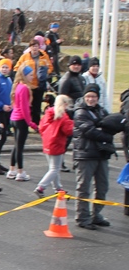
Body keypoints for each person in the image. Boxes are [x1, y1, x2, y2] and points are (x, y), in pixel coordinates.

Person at [73, 84, 113, 230]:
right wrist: (106, 135)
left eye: (94, 96)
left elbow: (111, 125)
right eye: (88, 96)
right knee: (84, 187)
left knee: (102, 187)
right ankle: (82, 217)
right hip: (85, 155)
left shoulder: (102, 111)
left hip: (101, 154)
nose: (91, 99)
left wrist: (104, 130)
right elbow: (89, 130)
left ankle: (97, 215)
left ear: (98, 97)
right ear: (84, 97)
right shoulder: (80, 112)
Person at [35, 95, 74, 197]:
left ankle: (58, 188)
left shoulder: (49, 113)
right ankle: (41, 187)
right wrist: (74, 123)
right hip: (57, 143)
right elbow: (68, 130)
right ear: (65, 104)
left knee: (53, 167)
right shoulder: (63, 116)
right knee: (55, 168)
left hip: (47, 142)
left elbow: (41, 127)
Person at [7, 66, 39, 181]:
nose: (32, 77)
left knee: (16, 145)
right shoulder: (24, 88)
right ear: (25, 76)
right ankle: (20, 171)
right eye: (30, 75)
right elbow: (25, 108)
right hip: (21, 120)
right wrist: (31, 123)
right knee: (20, 147)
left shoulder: (18, 86)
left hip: (14, 118)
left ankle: (12, 169)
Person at [14, 38, 52, 125]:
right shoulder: (24, 57)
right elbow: (17, 68)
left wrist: (45, 73)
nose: (35, 48)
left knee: (37, 105)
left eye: (36, 46)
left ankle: (36, 123)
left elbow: (50, 67)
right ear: (30, 47)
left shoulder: (44, 56)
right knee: (27, 105)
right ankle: (27, 122)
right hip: (28, 85)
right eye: (33, 46)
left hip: (39, 85)